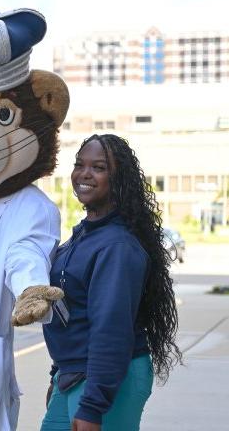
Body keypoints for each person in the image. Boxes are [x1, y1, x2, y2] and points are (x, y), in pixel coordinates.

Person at [41, 134, 182, 431]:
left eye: (99, 167)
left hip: (107, 379)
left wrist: (93, 405)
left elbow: (111, 329)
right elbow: (71, 313)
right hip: (75, 374)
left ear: (119, 179)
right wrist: (58, 372)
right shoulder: (84, 234)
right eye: (80, 164)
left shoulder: (116, 246)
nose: (84, 174)